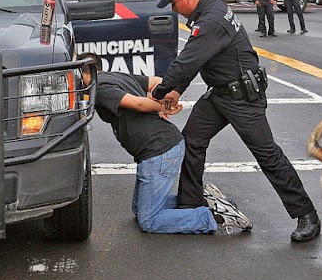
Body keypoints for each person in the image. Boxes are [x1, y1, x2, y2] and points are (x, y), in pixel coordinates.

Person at [152, 0, 321, 242]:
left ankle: (307, 215)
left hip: (242, 97)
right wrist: (176, 91)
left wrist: (159, 92)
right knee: (192, 140)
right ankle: (190, 204)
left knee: (268, 155)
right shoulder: (210, 7)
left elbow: (187, 61)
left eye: (173, 4)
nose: (173, 10)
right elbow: (199, 61)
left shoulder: (211, 20)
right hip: (220, 94)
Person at [77, 52, 252, 234]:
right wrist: (161, 100)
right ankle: (205, 201)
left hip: (159, 151)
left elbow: (138, 104)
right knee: (139, 209)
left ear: (86, 71)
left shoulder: (101, 87)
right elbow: (157, 82)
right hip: (158, 149)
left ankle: (217, 217)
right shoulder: (115, 76)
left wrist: (162, 107)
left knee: (149, 220)